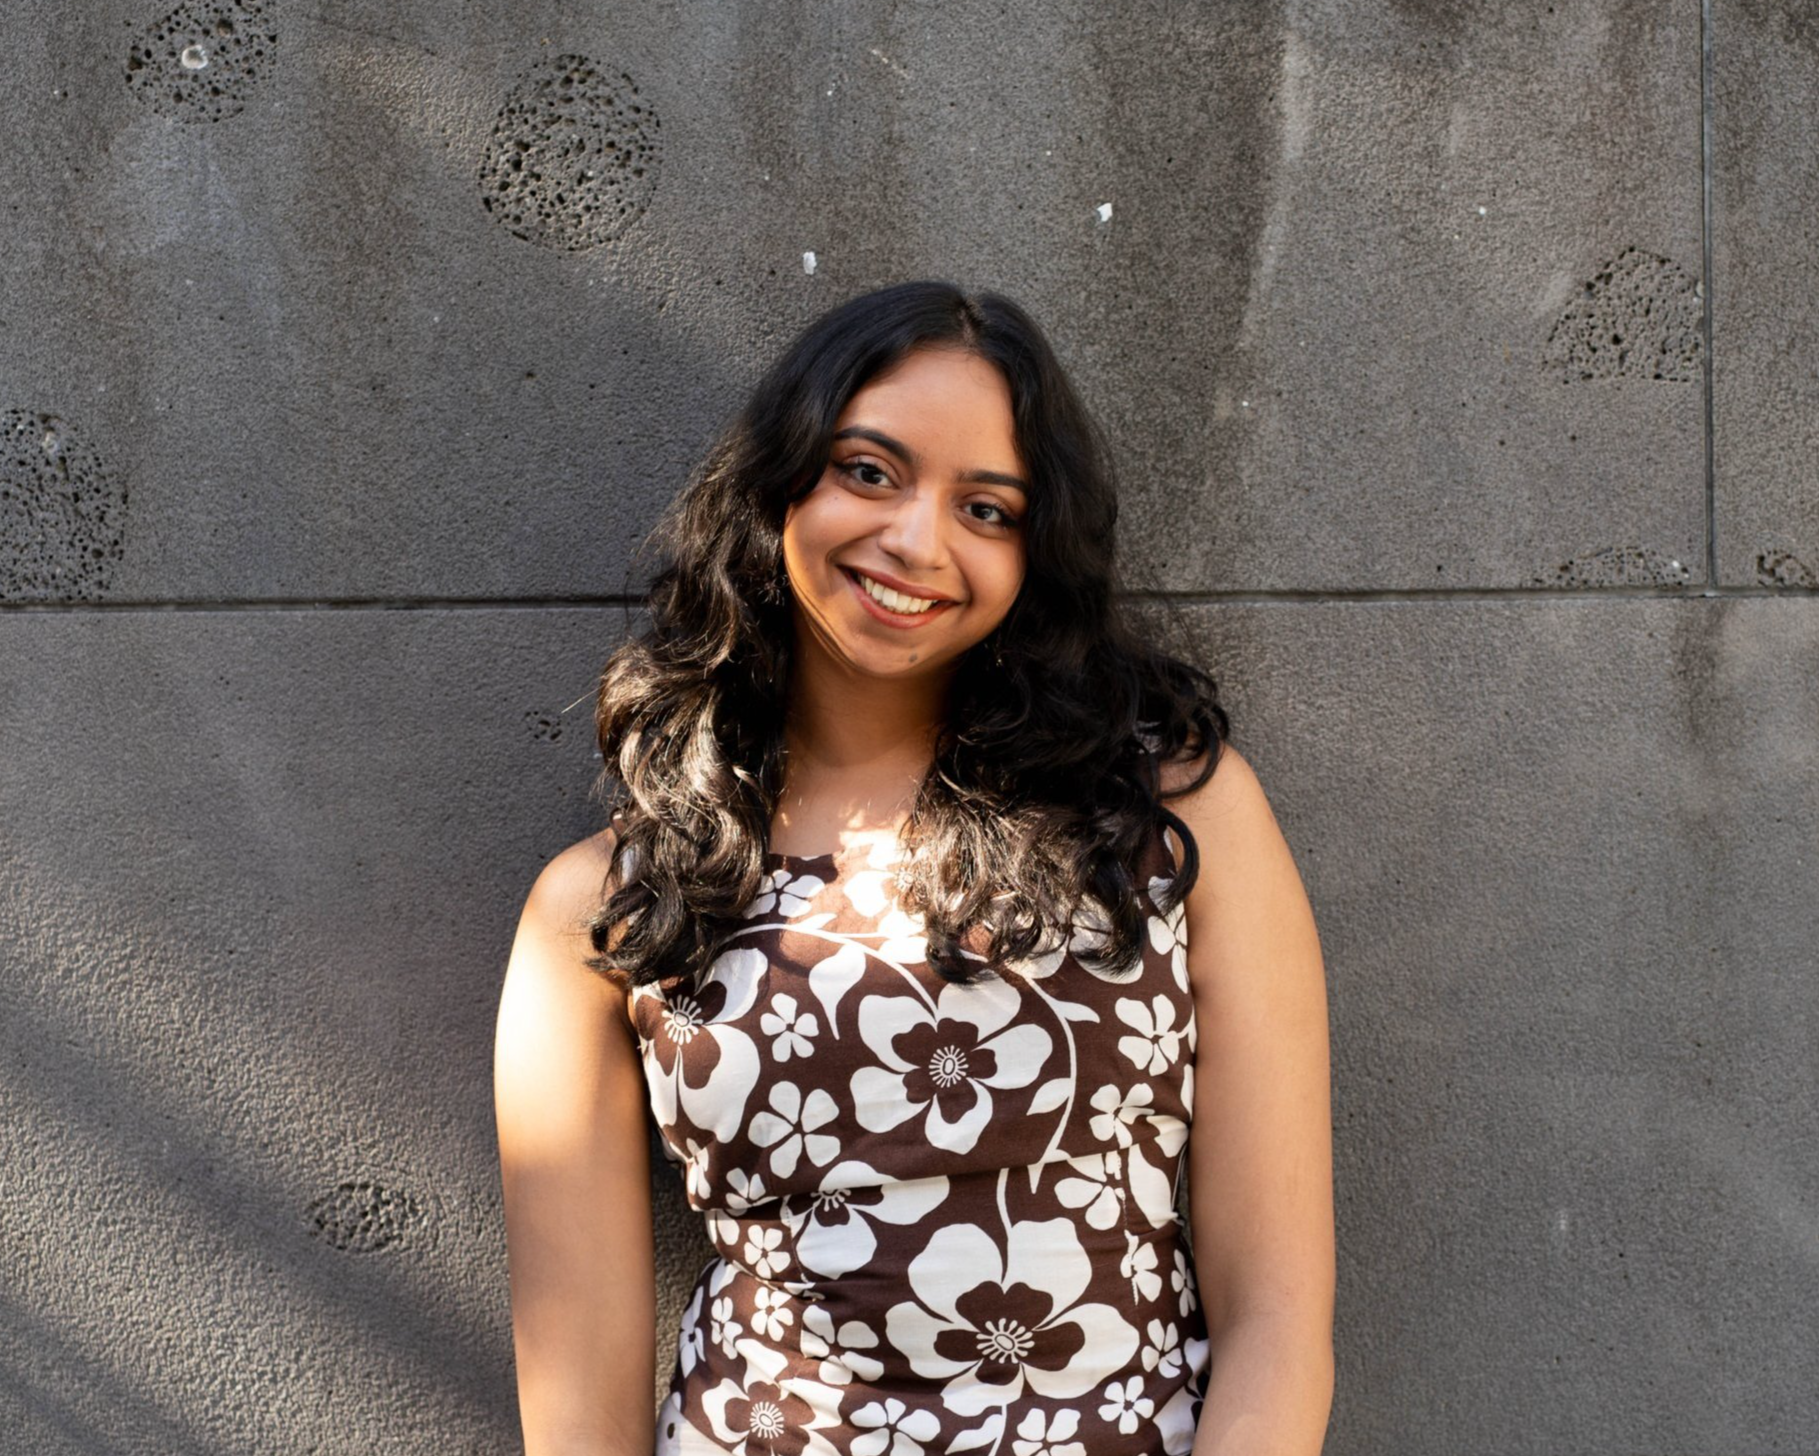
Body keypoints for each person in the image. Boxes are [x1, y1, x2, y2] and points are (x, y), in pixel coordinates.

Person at [494, 281, 1333, 1456]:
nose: (918, 541)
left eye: (987, 508)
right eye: (870, 471)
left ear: (1036, 552)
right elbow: (577, 1414)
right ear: (781, 480)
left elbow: (1281, 1314)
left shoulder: (1167, 817)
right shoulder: (606, 907)